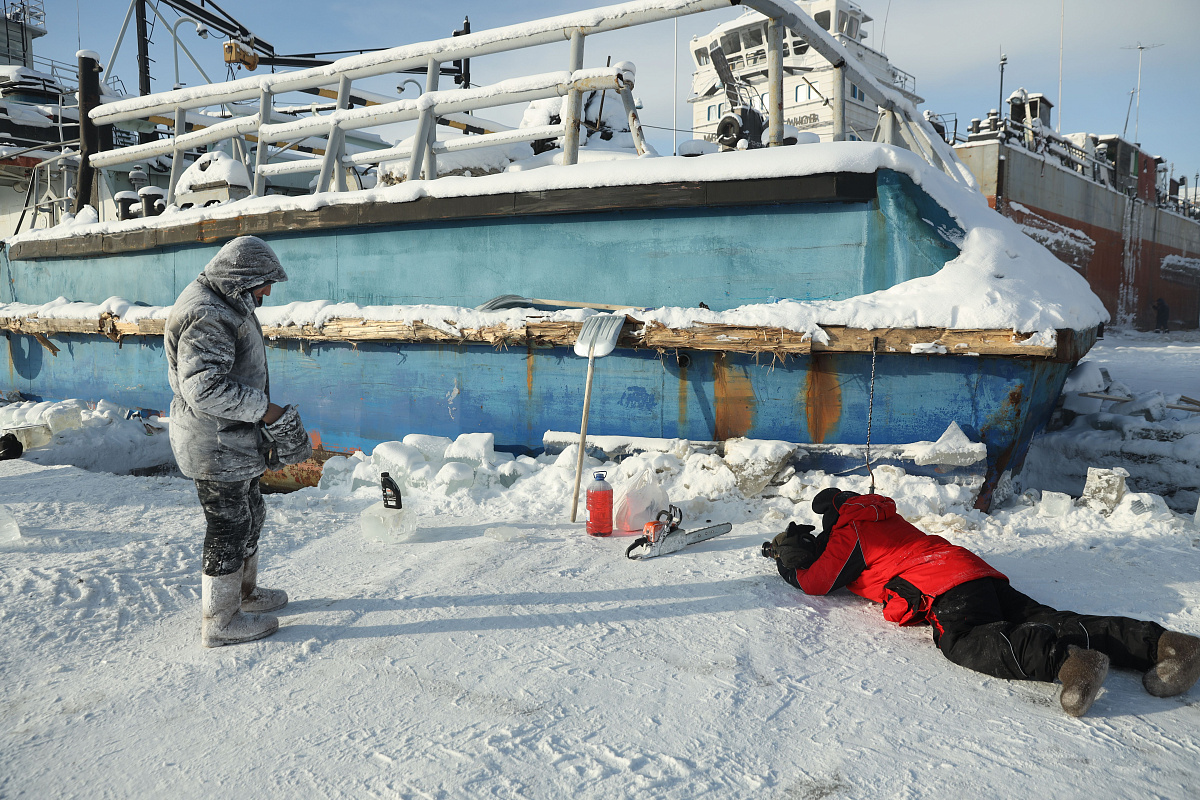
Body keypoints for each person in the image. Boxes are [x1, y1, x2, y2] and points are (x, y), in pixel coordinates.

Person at [766, 488, 1200, 717]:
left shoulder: (849, 532)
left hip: (945, 587)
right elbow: (846, 557)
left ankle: (1068, 662)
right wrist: (815, 544)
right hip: (972, 570)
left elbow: (817, 581)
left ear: (833, 517)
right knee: (1051, 617)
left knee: (968, 639)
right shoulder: (883, 516)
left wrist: (787, 559)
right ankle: (1166, 645)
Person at [166, 236, 296, 648]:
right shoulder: (208, 313)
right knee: (229, 524)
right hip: (213, 444)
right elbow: (203, 389)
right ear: (243, 277)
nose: (268, 292)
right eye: (264, 282)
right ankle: (220, 622)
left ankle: (245, 594)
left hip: (232, 440)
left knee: (252, 513)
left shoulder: (228, 300)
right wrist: (267, 411)